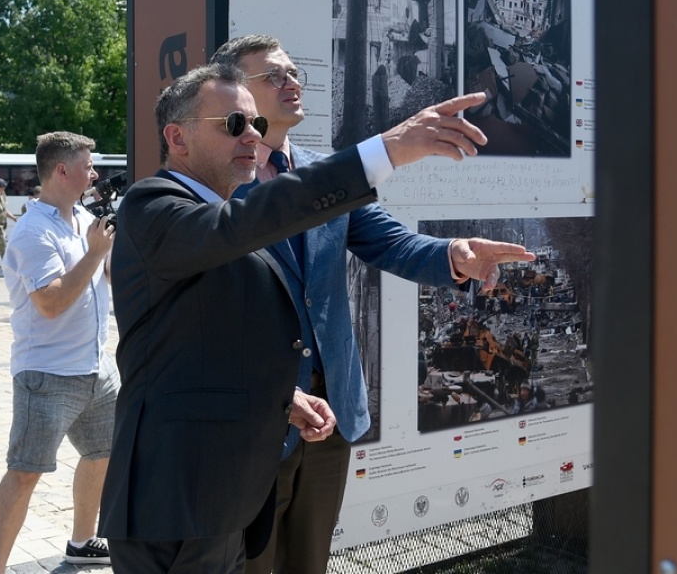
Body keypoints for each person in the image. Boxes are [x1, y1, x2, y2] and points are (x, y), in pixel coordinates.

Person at [98, 62, 508, 574]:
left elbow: (199, 341)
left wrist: (281, 396)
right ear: (177, 138)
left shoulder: (226, 214)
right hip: (177, 497)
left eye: (256, 124)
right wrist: (385, 151)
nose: (252, 136)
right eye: (234, 124)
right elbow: (241, 227)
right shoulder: (153, 206)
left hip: (225, 486)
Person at [210, 34, 536, 574]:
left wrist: (454, 254)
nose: (291, 82)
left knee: (309, 562)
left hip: (330, 411)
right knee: (247, 565)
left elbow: (390, 242)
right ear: (234, 92)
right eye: (273, 75)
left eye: (294, 72)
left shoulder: (322, 173)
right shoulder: (214, 185)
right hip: (255, 416)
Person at [0, 131, 119, 574]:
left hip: (97, 368)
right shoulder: (32, 231)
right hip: (47, 376)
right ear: (62, 170)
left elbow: (105, 279)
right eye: (88, 165)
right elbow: (51, 302)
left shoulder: (85, 218)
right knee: (26, 472)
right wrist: (96, 254)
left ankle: (81, 542)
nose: (94, 174)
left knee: (102, 453)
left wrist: (114, 256)